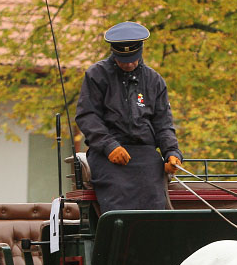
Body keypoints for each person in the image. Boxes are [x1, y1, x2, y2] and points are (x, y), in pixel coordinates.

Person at [75, 21, 183, 213]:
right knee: (118, 199)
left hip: (146, 155)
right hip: (108, 156)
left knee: (155, 202)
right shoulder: (96, 75)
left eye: (133, 59)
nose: (129, 64)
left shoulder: (155, 81)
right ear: (114, 53)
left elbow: (163, 124)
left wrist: (172, 152)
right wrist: (109, 146)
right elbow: (87, 116)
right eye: (123, 60)